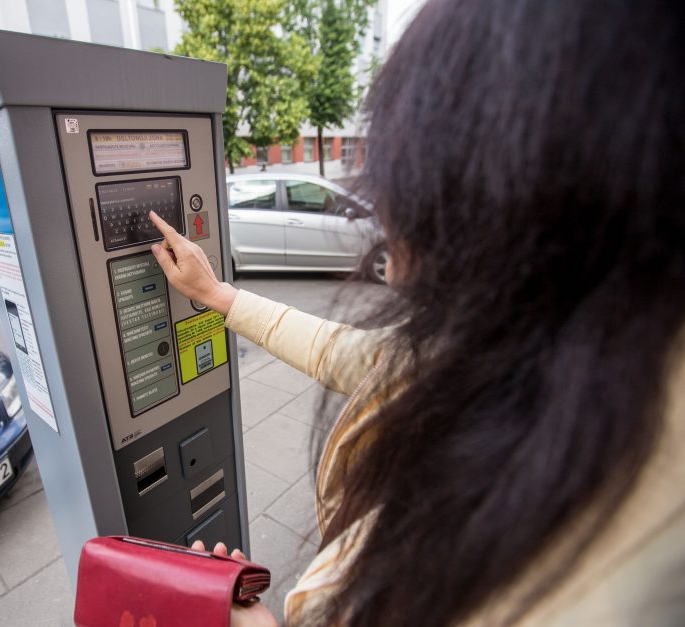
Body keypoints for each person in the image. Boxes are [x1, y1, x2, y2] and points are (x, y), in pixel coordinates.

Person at [148, 0, 685, 624]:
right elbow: (346, 353)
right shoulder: (567, 345)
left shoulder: (577, 579)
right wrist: (220, 298)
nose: (393, 259)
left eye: (403, 186)